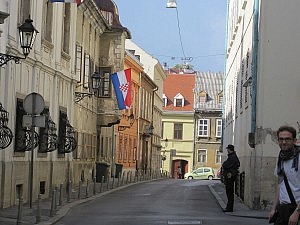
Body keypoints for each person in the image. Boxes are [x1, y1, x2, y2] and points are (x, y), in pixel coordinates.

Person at [269, 125, 300, 225]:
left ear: (294, 140)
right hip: (283, 210)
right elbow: (280, 184)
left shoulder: (299, 159)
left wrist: (297, 213)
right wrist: (274, 209)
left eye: (287, 139)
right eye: (281, 139)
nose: (284, 142)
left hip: (296, 208)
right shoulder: (281, 157)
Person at [222, 144, 240, 212]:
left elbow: (225, 165)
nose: (227, 150)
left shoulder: (232, 157)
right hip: (230, 176)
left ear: (230, 149)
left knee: (229, 192)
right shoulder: (232, 156)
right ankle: (229, 207)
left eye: (227, 149)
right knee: (229, 192)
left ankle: (229, 208)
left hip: (230, 176)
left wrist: (227, 167)